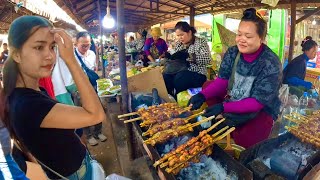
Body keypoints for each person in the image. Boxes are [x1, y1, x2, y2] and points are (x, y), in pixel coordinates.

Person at [0, 16, 106, 179]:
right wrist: (71, 59)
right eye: (39, 47)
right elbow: (96, 114)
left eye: (52, 47)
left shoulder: (31, 92)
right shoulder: (28, 104)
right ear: (17, 55)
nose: (50, 55)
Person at [188, 8, 282, 148]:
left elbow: (256, 103)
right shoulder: (233, 52)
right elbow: (222, 81)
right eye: (239, 34)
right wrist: (202, 95)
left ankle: (230, 122)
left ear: (261, 39)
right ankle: (226, 120)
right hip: (235, 97)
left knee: (245, 143)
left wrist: (223, 107)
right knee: (207, 86)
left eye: (248, 36)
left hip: (259, 110)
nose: (241, 40)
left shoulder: (270, 63)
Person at [75, 31, 107, 146]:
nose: (85, 47)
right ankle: (89, 136)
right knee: (84, 111)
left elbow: (93, 69)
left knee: (98, 108)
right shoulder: (72, 57)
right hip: (78, 88)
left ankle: (98, 132)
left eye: (87, 45)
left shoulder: (92, 54)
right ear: (76, 43)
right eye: (83, 45)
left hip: (92, 86)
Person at [163, 21, 211, 97]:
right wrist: (171, 56)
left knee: (180, 78)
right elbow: (176, 58)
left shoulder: (201, 42)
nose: (180, 38)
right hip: (180, 70)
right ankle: (170, 98)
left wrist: (189, 56)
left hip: (198, 74)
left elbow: (207, 59)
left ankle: (180, 99)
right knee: (166, 76)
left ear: (189, 32)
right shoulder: (179, 44)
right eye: (178, 35)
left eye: (182, 35)